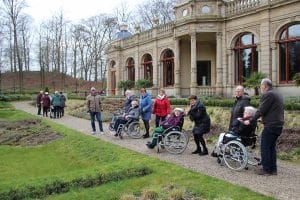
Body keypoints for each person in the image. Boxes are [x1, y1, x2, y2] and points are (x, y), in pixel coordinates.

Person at [248, 78, 284, 176]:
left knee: (265, 147)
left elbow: (261, 110)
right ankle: (273, 169)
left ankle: (266, 169)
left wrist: (251, 120)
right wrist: (263, 120)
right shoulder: (277, 93)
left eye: (261, 86)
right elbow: (273, 110)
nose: (260, 88)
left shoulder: (268, 94)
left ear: (265, 86)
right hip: (278, 125)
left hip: (271, 126)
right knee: (271, 147)